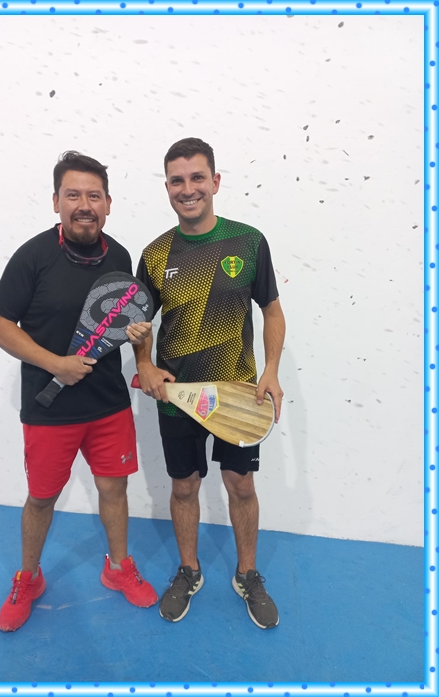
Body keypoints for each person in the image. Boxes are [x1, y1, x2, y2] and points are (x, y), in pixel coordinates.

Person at [0, 151, 158, 633]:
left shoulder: (120, 257)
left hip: (108, 405)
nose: (85, 205)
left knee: (114, 489)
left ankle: (118, 567)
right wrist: (54, 363)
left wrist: (140, 342)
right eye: (74, 195)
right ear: (56, 201)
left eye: (94, 196)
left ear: (108, 204)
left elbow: (126, 321)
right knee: (41, 498)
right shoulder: (33, 256)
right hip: (49, 409)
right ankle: (29, 578)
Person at [134, 137, 285, 629]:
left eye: (197, 177)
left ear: (215, 182)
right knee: (184, 486)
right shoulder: (155, 254)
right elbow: (138, 323)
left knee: (241, 484)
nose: (188, 189)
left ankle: (247, 575)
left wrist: (271, 369)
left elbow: (272, 310)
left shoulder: (248, 242)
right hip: (177, 398)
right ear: (167, 187)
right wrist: (145, 363)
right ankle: (189, 570)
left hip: (238, 395)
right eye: (177, 180)